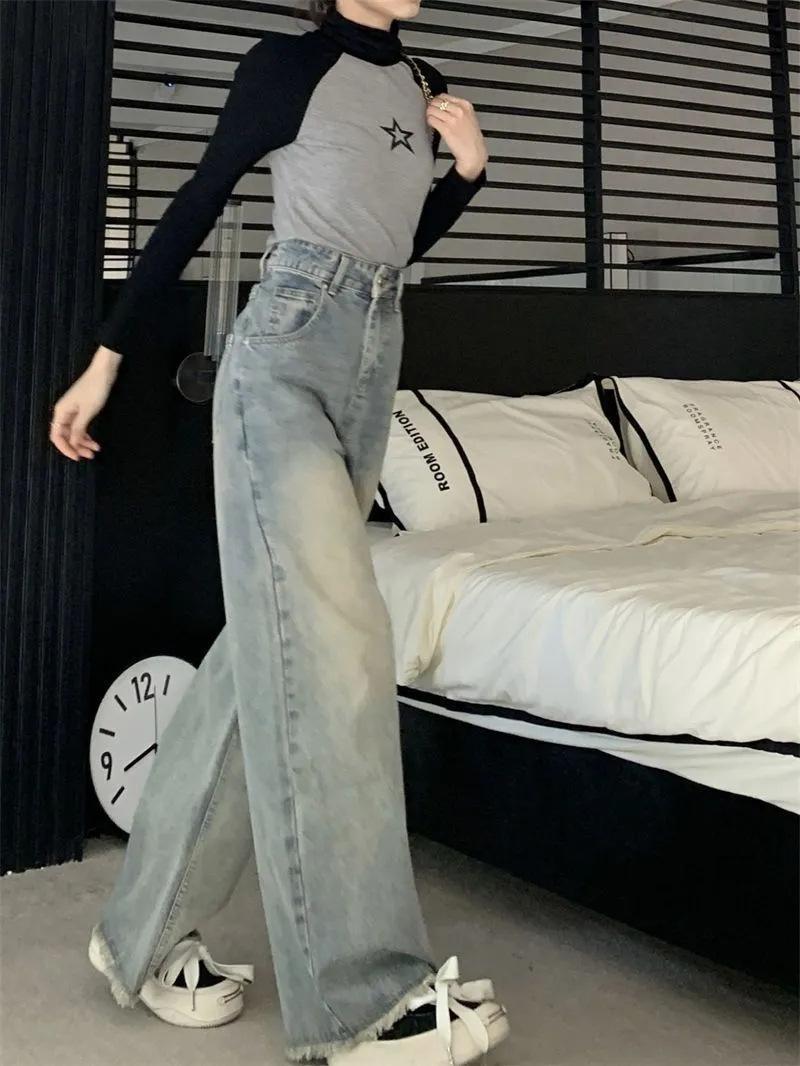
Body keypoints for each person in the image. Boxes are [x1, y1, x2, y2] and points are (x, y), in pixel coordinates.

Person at [52, 2, 510, 1063]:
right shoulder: (286, 67)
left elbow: (393, 242)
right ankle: (363, 998)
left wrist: (467, 173)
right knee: (339, 646)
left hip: (372, 362)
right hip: (285, 364)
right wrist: (107, 361)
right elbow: (198, 201)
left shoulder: (420, 81)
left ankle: (136, 934)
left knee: (262, 654)